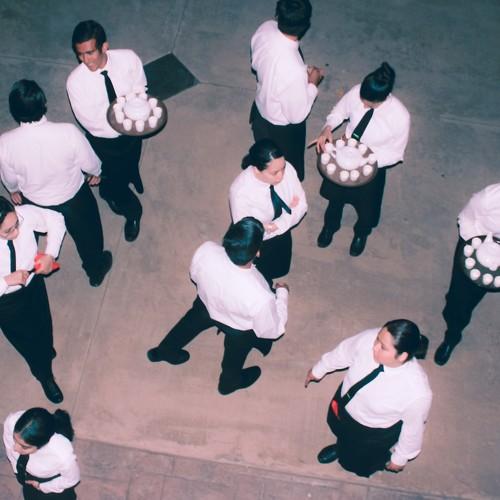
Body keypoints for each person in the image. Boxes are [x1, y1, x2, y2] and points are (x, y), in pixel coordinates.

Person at [147, 217, 289, 395]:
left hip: (207, 305)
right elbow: (274, 330)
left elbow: (194, 275)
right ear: (257, 252)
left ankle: (165, 351)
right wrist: (282, 294)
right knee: (235, 353)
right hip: (238, 328)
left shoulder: (206, 250)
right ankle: (229, 383)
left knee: (188, 324)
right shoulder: (260, 294)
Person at [0, 79, 112, 287]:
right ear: (43, 104)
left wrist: (14, 190)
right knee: (89, 236)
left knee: (28, 238)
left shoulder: (5, 143)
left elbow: (9, 178)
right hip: (74, 198)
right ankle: (95, 270)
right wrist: (96, 173)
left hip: (35, 202)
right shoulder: (68, 132)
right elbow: (90, 162)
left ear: (15, 112)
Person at [305, 319, 432, 478]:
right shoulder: (369, 339)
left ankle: (354, 457)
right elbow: (343, 352)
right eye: (378, 338)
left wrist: (400, 457)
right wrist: (319, 369)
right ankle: (341, 446)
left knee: (359, 459)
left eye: (383, 347)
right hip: (345, 405)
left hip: (372, 431)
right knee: (340, 430)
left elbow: (413, 429)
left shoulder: (416, 392)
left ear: (402, 356)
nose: (374, 346)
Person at [315, 62, 410, 256]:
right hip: (345, 155)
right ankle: (330, 226)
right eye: (362, 100)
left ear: (383, 98)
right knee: (335, 200)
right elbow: (339, 111)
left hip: (372, 165)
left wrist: (364, 157)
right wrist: (328, 128)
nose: (364, 105)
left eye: (369, 104)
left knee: (367, 208)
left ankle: (361, 233)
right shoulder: (357, 92)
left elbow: (395, 153)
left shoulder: (400, 117)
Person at [66, 19, 146, 242]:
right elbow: (91, 122)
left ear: (104, 46)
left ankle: (131, 177)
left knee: (131, 160)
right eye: (80, 54)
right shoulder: (75, 82)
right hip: (104, 142)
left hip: (132, 130)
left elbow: (140, 87)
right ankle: (133, 211)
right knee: (113, 181)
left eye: (90, 53)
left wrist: (133, 118)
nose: (85, 60)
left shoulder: (128, 59)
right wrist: (123, 122)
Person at [0, 197, 66, 403]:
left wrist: (50, 254)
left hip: (33, 282)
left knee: (43, 321)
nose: (16, 232)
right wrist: (5, 281)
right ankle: (44, 374)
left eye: (16, 224)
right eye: (7, 231)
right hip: (6, 301)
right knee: (26, 339)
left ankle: (45, 349)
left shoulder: (24, 214)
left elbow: (56, 219)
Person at [250, 0, 323, 181]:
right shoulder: (294, 70)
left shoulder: (265, 29)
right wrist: (312, 84)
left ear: (277, 15)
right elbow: (296, 116)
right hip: (281, 129)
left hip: (260, 107)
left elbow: (256, 64)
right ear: (305, 25)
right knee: (288, 167)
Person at [435, 183, 500, 365]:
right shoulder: (491, 198)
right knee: (459, 302)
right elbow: (466, 219)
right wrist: (481, 250)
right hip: (476, 245)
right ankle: (452, 336)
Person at [229, 139, 307, 285]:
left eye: (283, 168)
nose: (281, 176)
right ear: (256, 169)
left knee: (281, 264)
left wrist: (277, 225)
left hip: (279, 229)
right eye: (275, 173)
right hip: (260, 241)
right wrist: (289, 214)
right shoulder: (240, 193)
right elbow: (250, 233)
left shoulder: (286, 167)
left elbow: (302, 206)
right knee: (260, 273)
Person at [3, 408, 80, 499]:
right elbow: (10, 450)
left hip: (48, 483)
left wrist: (42, 486)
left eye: (24, 447)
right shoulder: (12, 422)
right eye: (14, 439)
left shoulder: (61, 455)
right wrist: (17, 470)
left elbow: (72, 479)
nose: (15, 448)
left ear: (42, 444)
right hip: (26, 475)